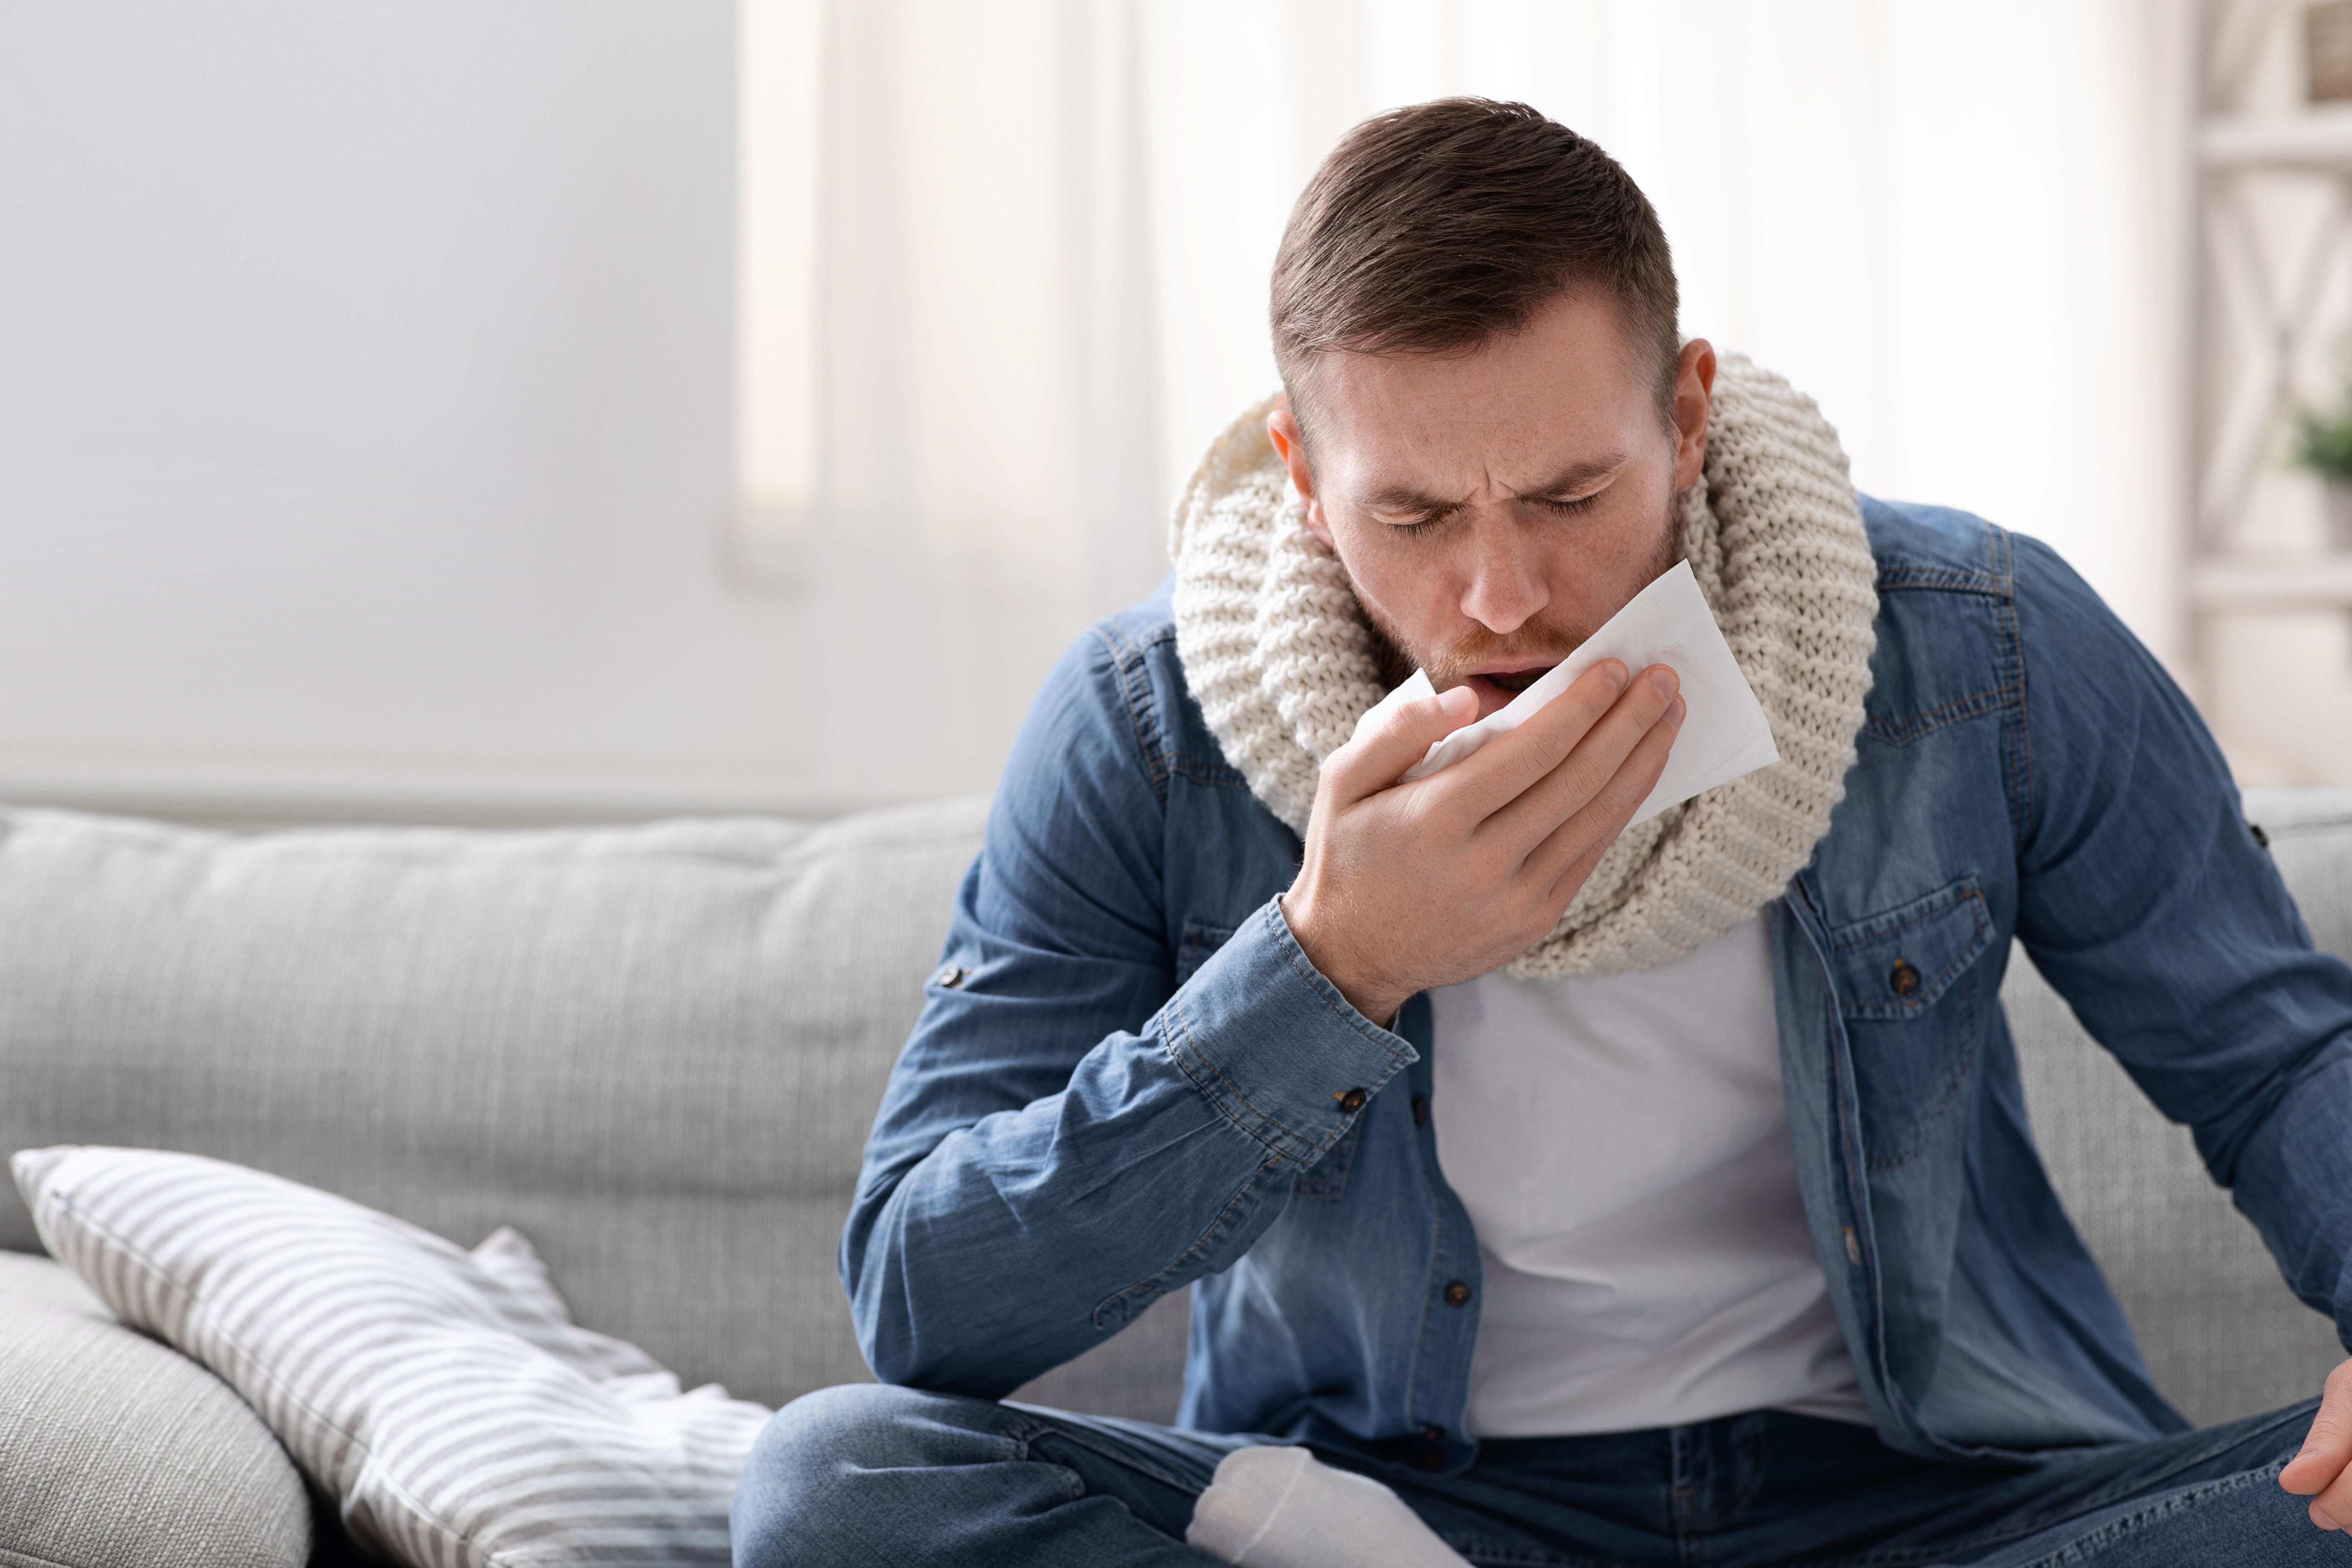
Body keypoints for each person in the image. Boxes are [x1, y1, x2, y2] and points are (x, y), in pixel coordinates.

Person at [730, 99, 2352, 1567]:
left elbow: (2271, 1055)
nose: (1502, 598)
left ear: (1688, 415)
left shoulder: (1973, 646)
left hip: (1940, 1514)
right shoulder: (1147, 731)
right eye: (1414, 516)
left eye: (1573, 499)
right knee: (835, 1483)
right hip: (1390, 1522)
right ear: (1301, 475)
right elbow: (927, 1308)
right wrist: (1331, 964)